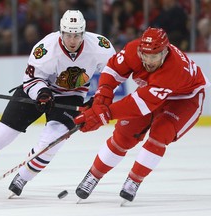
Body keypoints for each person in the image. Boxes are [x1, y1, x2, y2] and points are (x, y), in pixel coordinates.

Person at [0, 10, 116, 198]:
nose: (72, 40)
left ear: (84, 33)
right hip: (38, 89)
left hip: (71, 95)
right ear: (61, 32)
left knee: (53, 140)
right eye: (68, 35)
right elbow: (31, 80)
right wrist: (42, 93)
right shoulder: (45, 48)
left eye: (77, 35)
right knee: (2, 134)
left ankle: (22, 178)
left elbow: (115, 74)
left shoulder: (100, 47)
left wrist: (99, 98)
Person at [74, 27, 210, 203]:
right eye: (145, 55)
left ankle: (134, 180)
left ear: (165, 51)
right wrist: (101, 98)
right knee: (123, 136)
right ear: (140, 49)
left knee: (161, 133)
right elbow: (113, 69)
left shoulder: (174, 68)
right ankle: (93, 175)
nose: (149, 60)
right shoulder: (133, 50)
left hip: (186, 99)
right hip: (151, 93)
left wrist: (104, 114)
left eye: (154, 56)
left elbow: (141, 104)